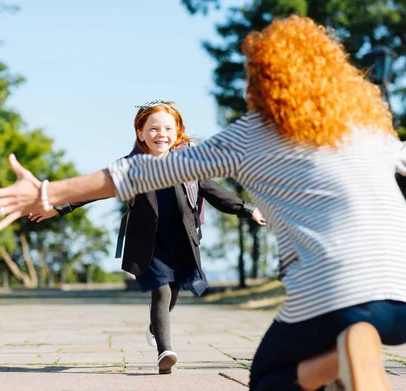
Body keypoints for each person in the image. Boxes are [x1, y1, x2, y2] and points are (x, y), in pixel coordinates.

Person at [0, 16, 406, 391]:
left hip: (337, 294)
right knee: (345, 351)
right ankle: (351, 365)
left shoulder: (246, 137)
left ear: (262, 80)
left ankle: (350, 354)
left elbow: (135, 172)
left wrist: (48, 194)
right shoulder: (359, 130)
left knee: (271, 383)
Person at [27, 100, 267, 375]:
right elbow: (91, 191)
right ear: (140, 133)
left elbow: (215, 193)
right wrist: (57, 207)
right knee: (161, 290)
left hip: (181, 240)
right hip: (148, 243)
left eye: (167, 128)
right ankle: (165, 352)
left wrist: (248, 209)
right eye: (153, 129)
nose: (160, 134)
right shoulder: (129, 168)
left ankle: (156, 326)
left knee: (173, 292)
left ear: (177, 132)